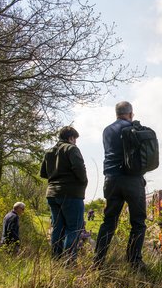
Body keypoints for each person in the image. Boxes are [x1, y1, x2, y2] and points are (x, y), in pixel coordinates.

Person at [94, 101, 147, 269]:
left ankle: (98, 260)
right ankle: (134, 261)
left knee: (109, 221)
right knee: (138, 222)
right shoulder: (134, 128)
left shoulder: (107, 130)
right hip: (131, 180)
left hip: (111, 180)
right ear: (131, 114)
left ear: (116, 113)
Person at [40, 126, 88, 264]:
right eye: (75, 139)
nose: (75, 142)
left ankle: (56, 259)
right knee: (74, 228)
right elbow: (80, 169)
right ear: (71, 137)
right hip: (71, 194)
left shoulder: (49, 152)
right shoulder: (71, 149)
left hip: (52, 194)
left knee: (57, 228)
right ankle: (68, 262)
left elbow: (43, 173)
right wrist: (83, 182)